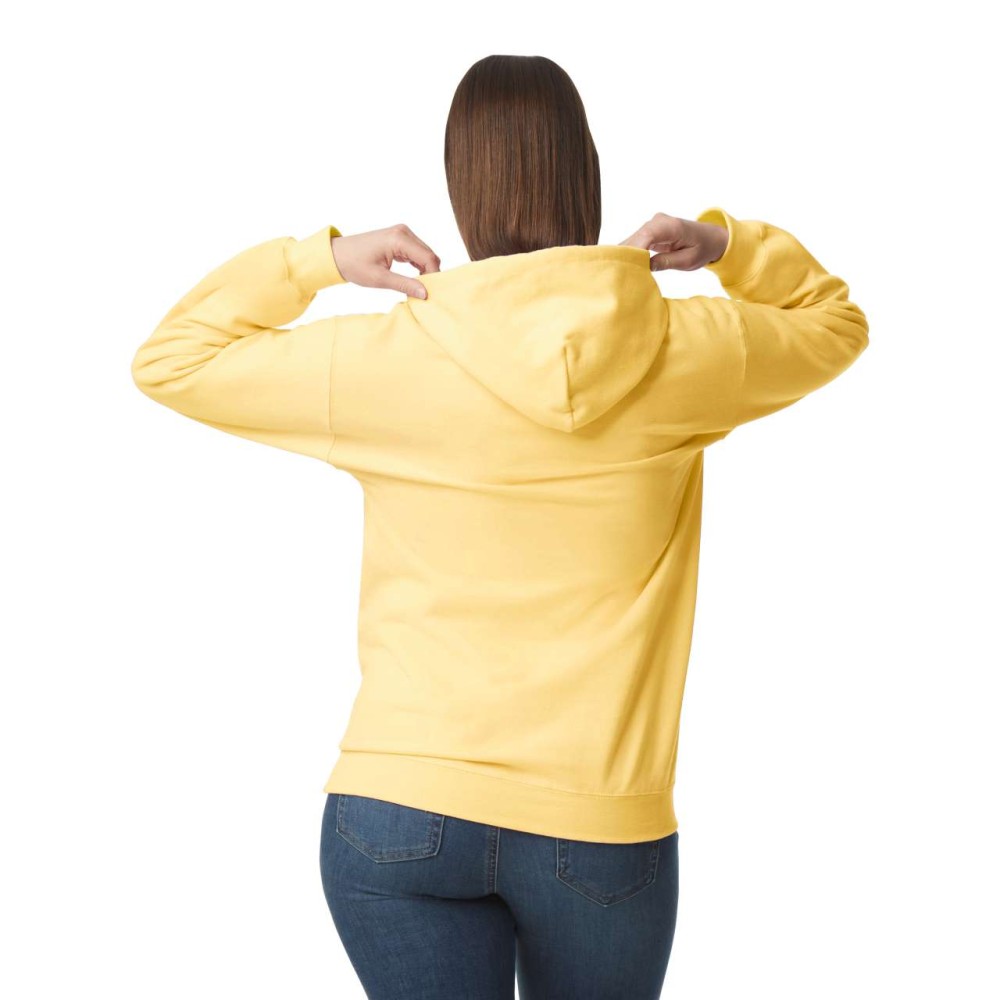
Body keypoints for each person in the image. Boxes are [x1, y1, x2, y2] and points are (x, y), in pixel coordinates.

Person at [131, 53, 868, 1000]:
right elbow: (833, 322)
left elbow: (173, 361)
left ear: (460, 186)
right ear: (587, 173)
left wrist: (318, 261)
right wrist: (726, 246)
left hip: (399, 810)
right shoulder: (685, 349)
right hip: (597, 823)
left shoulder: (388, 359)